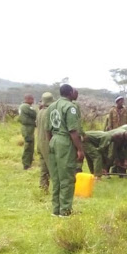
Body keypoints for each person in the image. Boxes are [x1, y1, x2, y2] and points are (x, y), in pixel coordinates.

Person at [46, 84, 84, 217]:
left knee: (56, 177)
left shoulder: (51, 106)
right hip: (65, 141)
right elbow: (73, 131)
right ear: (69, 93)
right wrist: (80, 149)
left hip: (53, 140)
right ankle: (65, 211)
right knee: (67, 177)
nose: (76, 93)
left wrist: (51, 143)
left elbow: (47, 130)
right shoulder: (70, 107)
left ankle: (56, 209)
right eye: (74, 91)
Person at [36, 92, 54, 191]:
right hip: (47, 142)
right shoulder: (50, 112)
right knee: (52, 167)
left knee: (43, 168)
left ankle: (43, 187)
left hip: (40, 142)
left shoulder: (40, 112)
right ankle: (57, 190)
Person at [18, 94, 37, 170]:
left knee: (30, 145)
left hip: (28, 128)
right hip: (27, 128)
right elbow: (34, 114)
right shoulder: (26, 106)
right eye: (32, 99)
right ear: (28, 99)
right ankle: (26, 164)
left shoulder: (22, 106)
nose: (33, 101)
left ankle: (29, 161)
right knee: (28, 146)